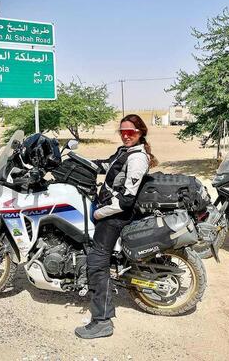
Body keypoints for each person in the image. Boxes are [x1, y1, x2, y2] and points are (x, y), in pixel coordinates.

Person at [75, 114, 158, 339]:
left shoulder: (138, 158)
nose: (125, 135)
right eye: (122, 131)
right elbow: (107, 165)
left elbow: (125, 200)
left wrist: (98, 213)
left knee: (97, 262)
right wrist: (78, 161)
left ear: (140, 133)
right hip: (110, 208)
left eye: (130, 132)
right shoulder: (125, 151)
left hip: (117, 215)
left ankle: (102, 320)